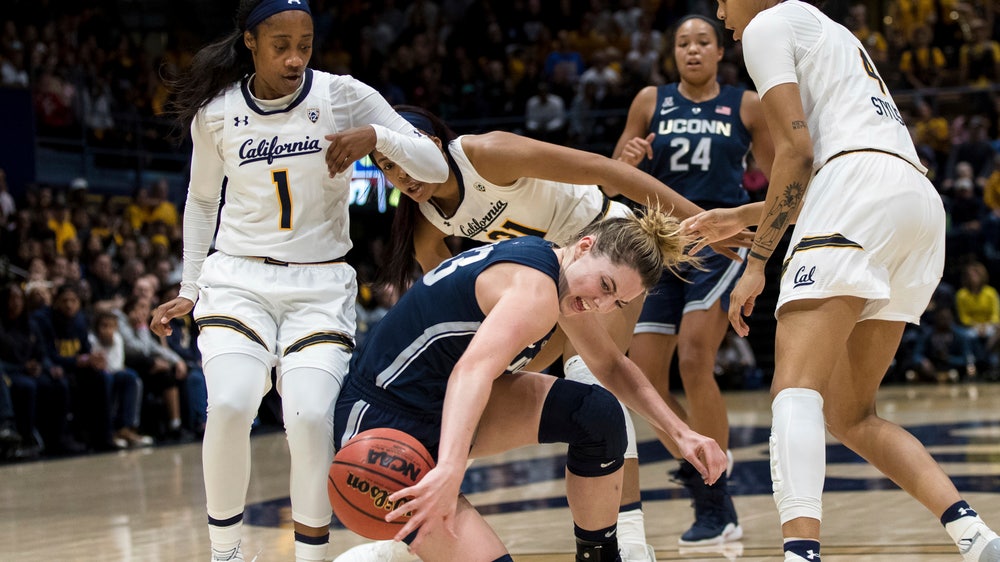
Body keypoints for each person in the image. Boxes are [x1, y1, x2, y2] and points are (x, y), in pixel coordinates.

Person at [335, 104, 746, 562]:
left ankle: (607, 550)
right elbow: (469, 372)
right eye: (606, 289)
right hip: (384, 418)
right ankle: (388, 548)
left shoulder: (558, 278)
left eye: (618, 302)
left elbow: (610, 362)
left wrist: (681, 434)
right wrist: (450, 469)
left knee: (597, 410)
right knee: (535, 380)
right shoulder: (534, 286)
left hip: (439, 395)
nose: (602, 306)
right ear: (584, 245)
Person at [683, 0, 1000, 559]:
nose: (719, 10)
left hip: (855, 190)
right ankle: (974, 536)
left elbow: (798, 153)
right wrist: (739, 217)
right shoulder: (830, 32)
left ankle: (800, 554)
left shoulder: (766, 25)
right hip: (917, 203)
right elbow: (825, 174)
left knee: (794, 389)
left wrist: (757, 261)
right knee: (850, 414)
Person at [148, 1, 449, 561]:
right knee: (232, 404)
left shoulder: (343, 96)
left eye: (305, 45)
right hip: (238, 280)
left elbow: (434, 167)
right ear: (250, 43)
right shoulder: (215, 113)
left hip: (319, 285)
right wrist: (190, 288)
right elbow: (200, 200)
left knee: (311, 418)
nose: (294, 58)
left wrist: (375, 139)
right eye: (280, 45)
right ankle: (227, 553)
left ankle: (310, 556)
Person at [611, 13, 773, 548]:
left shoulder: (746, 104)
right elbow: (615, 171)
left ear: (720, 51)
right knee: (645, 381)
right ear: (673, 52)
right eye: (683, 43)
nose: (694, 50)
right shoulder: (649, 101)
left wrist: (763, 246)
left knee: (695, 359)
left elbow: (781, 181)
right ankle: (699, 464)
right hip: (658, 246)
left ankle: (713, 495)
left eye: (704, 41)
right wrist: (627, 156)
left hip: (717, 242)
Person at [88, 310, 152, 448]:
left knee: (131, 376)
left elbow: (116, 365)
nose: (108, 330)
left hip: (113, 373)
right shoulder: (92, 340)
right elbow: (103, 367)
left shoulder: (117, 339)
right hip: (96, 376)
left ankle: (126, 428)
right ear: (97, 327)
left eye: (111, 326)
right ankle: (109, 431)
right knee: (107, 379)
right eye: (104, 326)